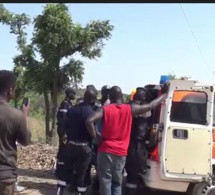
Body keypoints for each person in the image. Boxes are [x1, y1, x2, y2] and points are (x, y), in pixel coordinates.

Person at [85, 84, 169, 195]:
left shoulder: (105, 109)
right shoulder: (129, 109)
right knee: (117, 183)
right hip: (121, 153)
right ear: (121, 96)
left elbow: (89, 121)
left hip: (105, 150)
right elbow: (151, 105)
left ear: (110, 96)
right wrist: (165, 95)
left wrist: (96, 137)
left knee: (105, 181)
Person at [59, 87, 98, 195]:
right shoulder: (91, 113)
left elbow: (64, 126)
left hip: (70, 146)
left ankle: (59, 192)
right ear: (92, 99)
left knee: (65, 172)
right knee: (82, 175)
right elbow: (92, 131)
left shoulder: (71, 110)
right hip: (84, 148)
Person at [0, 70, 31, 195]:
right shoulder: (16, 115)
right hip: (5, 176)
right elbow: (26, 141)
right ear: (10, 90)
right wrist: (26, 116)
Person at [125, 87, 151, 195]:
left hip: (126, 143)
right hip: (136, 145)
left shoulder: (127, 106)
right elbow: (141, 132)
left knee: (128, 172)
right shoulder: (144, 111)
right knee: (133, 174)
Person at [91, 85, 111, 193]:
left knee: (104, 165)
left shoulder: (111, 105)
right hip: (96, 139)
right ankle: (95, 184)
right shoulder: (96, 105)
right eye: (105, 92)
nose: (107, 94)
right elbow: (91, 120)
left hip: (106, 139)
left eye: (109, 92)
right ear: (102, 92)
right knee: (96, 162)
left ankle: (98, 185)